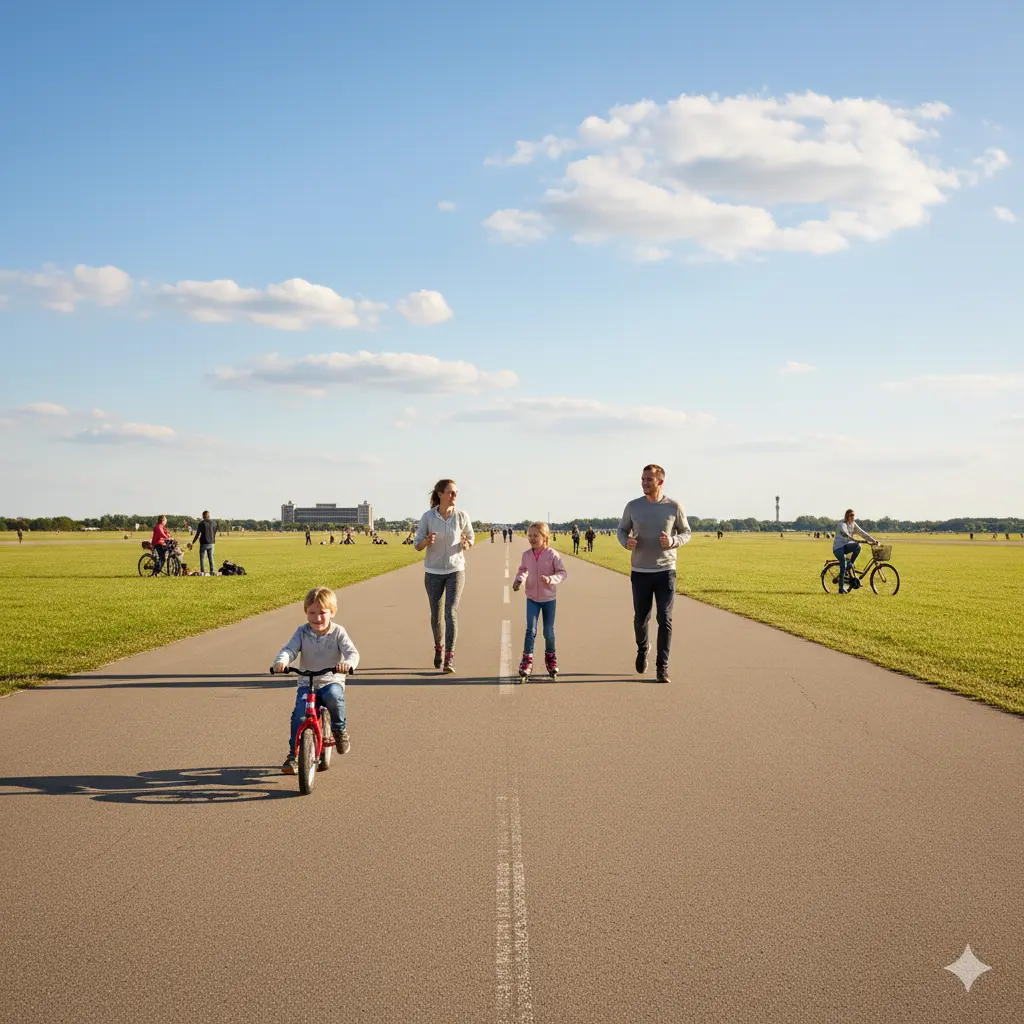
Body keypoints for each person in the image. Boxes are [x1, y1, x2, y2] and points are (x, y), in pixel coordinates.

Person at [271, 586, 359, 773]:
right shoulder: (302, 632)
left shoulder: (338, 632)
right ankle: (293, 756)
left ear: (332, 612)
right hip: (307, 682)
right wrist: (281, 661)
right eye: (312, 612)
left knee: (334, 697)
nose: (317, 618)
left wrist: (348, 664)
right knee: (299, 715)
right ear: (306, 612)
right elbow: (290, 649)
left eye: (322, 613)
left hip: (330, 679)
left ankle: (339, 730)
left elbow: (352, 653)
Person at [617, 464, 691, 683]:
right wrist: (626, 542)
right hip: (640, 571)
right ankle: (642, 648)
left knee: (664, 618)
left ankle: (662, 667)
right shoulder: (633, 506)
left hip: (666, 571)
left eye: (649, 479)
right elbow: (621, 530)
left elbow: (686, 532)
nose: (644, 483)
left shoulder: (674, 507)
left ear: (660, 481)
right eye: (642, 479)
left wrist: (673, 541)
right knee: (641, 619)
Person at [414, 478, 474, 673]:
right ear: (440, 494)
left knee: (451, 611)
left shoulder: (462, 516)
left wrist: (466, 544)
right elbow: (417, 545)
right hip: (433, 572)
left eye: (456, 492)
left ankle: (449, 656)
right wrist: (426, 540)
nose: (454, 495)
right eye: (451, 492)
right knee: (436, 615)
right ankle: (438, 647)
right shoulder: (428, 517)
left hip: (456, 570)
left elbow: (470, 539)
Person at [512, 522, 568, 680]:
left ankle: (551, 660)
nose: (531, 538)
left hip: (549, 599)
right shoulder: (526, 555)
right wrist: (518, 580)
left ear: (544, 537)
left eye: (535, 536)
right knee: (531, 631)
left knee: (548, 632)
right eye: (529, 535)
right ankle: (527, 661)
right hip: (532, 598)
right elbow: (523, 570)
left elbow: (563, 573)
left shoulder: (552, 554)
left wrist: (551, 579)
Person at [833, 509, 876, 594]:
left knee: (858, 546)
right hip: (838, 548)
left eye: (853, 515)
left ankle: (850, 564)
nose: (853, 517)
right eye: (851, 515)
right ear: (847, 516)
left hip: (846, 546)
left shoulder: (853, 524)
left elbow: (862, 533)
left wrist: (873, 540)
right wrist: (852, 538)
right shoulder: (842, 523)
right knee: (843, 565)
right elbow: (845, 532)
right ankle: (841, 588)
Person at [187, 510, 218, 576]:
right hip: (212, 543)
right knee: (211, 557)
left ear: (203, 516)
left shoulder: (201, 523)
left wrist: (193, 542)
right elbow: (215, 532)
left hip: (204, 543)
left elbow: (197, 534)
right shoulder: (215, 523)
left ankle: (202, 571)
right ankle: (212, 571)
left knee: (202, 558)